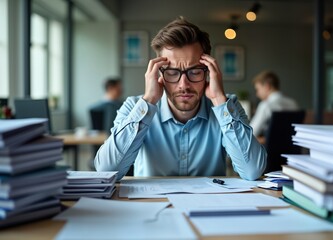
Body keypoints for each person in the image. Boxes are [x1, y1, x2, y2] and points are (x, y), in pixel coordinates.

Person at [94, 17, 266, 180]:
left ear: (209, 72)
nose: (184, 84)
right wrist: (148, 101)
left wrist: (219, 100)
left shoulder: (228, 106)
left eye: (195, 71)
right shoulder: (134, 107)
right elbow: (106, 171)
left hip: (208, 207)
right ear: (158, 74)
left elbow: (252, 170)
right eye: (172, 72)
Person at [250, 71, 298, 139]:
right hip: (293, 149)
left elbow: (251, 133)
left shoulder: (265, 105)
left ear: (267, 86)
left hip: (269, 149)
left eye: (258, 89)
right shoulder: (293, 103)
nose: (257, 94)